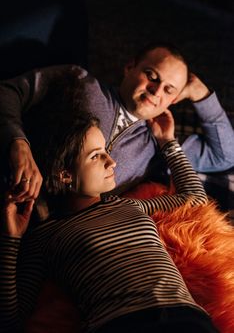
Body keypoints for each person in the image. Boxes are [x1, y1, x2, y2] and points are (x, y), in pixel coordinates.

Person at [0, 109, 218, 333]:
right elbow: (11, 320)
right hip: (122, 323)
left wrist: (167, 141)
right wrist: (11, 240)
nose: (112, 162)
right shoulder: (47, 235)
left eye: (106, 150)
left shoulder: (127, 205)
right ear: (64, 174)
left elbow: (195, 199)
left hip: (187, 318)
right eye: (95, 156)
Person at [0, 42, 233, 201]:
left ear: (173, 100)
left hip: (65, 237)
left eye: (168, 89)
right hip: (12, 185)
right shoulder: (80, 81)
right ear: (129, 67)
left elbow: (225, 156)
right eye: (152, 76)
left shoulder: (159, 141)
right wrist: (17, 143)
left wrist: (202, 95)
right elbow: (8, 92)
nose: (156, 90)